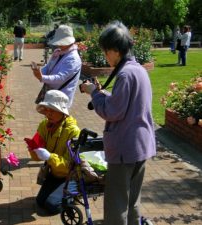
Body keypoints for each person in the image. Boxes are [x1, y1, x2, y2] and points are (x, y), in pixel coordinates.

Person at [80, 20, 156, 225]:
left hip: (125, 149)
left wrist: (93, 93)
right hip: (141, 145)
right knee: (132, 201)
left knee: (116, 205)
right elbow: (126, 103)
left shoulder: (124, 74)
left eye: (106, 51)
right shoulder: (138, 70)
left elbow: (112, 111)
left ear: (115, 50)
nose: (105, 56)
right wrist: (102, 92)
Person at [25, 90, 80, 215]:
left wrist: (50, 157)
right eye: (47, 109)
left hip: (70, 176)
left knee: (52, 205)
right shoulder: (44, 125)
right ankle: (61, 193)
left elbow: (70, 165)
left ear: (62, 112)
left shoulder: (73, 131)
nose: (48, 114)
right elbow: (37, 155)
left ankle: (74, 194)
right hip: (54, 173)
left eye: (52, 110)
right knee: (40, 201)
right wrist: (34, 150)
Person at [31, 25, 82, 108]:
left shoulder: (73, 58)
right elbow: (49, 67)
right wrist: (38, 71)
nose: (59, 45)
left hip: (61, 98)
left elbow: (60, 78)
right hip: (52, 93)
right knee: (49, 118)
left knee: (56, 119)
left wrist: (41, 77)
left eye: (62, 42)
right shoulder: (59, 51)